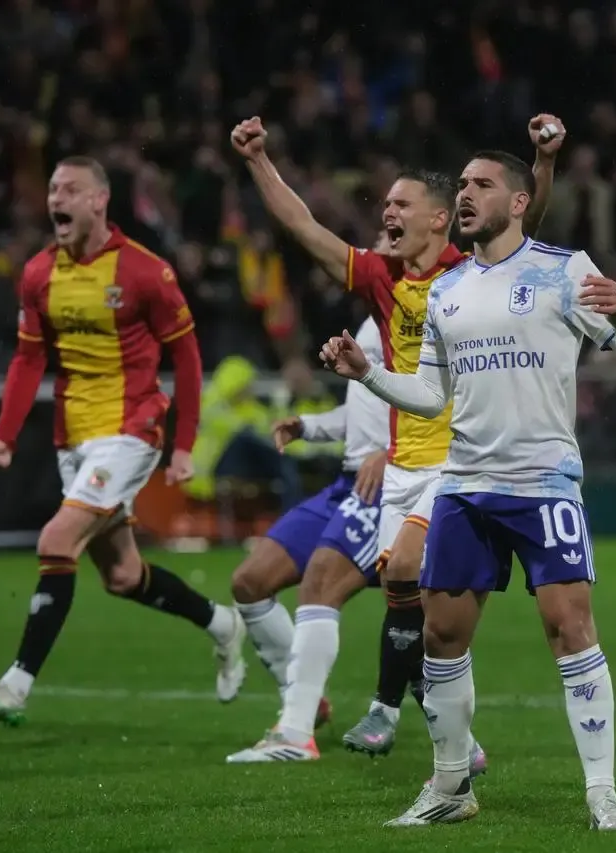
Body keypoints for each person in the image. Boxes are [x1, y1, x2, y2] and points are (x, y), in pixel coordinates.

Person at [321, 150, 616, 830]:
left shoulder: (565, 269)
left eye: (481, 185)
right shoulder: (448, 290)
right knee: (441, 634)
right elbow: (428, 395)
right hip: (465, 485)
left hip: (543, 484)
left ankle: (602, 792)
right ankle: (450, 786)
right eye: (463, 185)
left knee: (570, 628)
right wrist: (367, 373)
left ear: (516, 201)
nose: (467, 194)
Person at [224, 114, 564, 762]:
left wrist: (543, 164)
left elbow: (529, 226)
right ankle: (451, 735)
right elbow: (304, 230)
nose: (387, 212)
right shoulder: (384, 279)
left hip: (464, 461)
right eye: (384, 204)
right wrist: (259, 161)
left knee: (403, 573)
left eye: (401, 203)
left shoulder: (473, 271)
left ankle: (387, 722)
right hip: (406, 464)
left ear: (440, 219)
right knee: (417, 610)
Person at [0, 156, 246, 726]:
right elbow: (28, 357)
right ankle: (222, 623)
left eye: (69, 189)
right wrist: (4, 437)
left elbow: (187, 358)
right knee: (122, 578)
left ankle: (14, 686)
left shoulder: (145, 272)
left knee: (55, 540)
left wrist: (183, 443)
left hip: (132, 430)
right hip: (75, 439)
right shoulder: (40, 273)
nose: (55, 198)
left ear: (98, 201)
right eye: (51, 189)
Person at [225, 317, 391, 741]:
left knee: (327, 588)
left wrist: (394, 452)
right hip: (347, 482)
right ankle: (304, 700)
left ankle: (294, 733)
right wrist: (308, 426)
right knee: (249, 581)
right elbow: (364, 411)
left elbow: (452, 402)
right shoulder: (377, 316)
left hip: (393, 485)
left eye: (385, 241)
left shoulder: (436, 304)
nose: (380, 244)